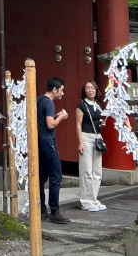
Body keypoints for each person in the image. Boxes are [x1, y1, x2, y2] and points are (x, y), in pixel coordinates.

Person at [37, 77, 71, 224]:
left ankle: (42, 210)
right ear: (55, 89)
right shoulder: (49, 103)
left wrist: (56, 115)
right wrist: (61, 117)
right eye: (61, 90)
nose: (62, 94)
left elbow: (43, 120)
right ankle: (55, 211)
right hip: (48, 141)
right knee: (56, 176)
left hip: (39, 141)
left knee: (41, 177)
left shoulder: (39, 100)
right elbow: (50, 125)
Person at [76, 80, 106, 211]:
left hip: (97, 137)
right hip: (86, 137)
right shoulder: (81, 106)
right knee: (86, 170)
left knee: (97, 171)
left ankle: (93, 199)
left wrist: (101, 123)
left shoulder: (98, 105)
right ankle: (86, 201)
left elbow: (98, 120)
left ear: (96, 90)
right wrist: (80, 142)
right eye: (87, 88)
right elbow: (78, 124)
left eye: (92, 88)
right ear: (84, 91)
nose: (90, 90)